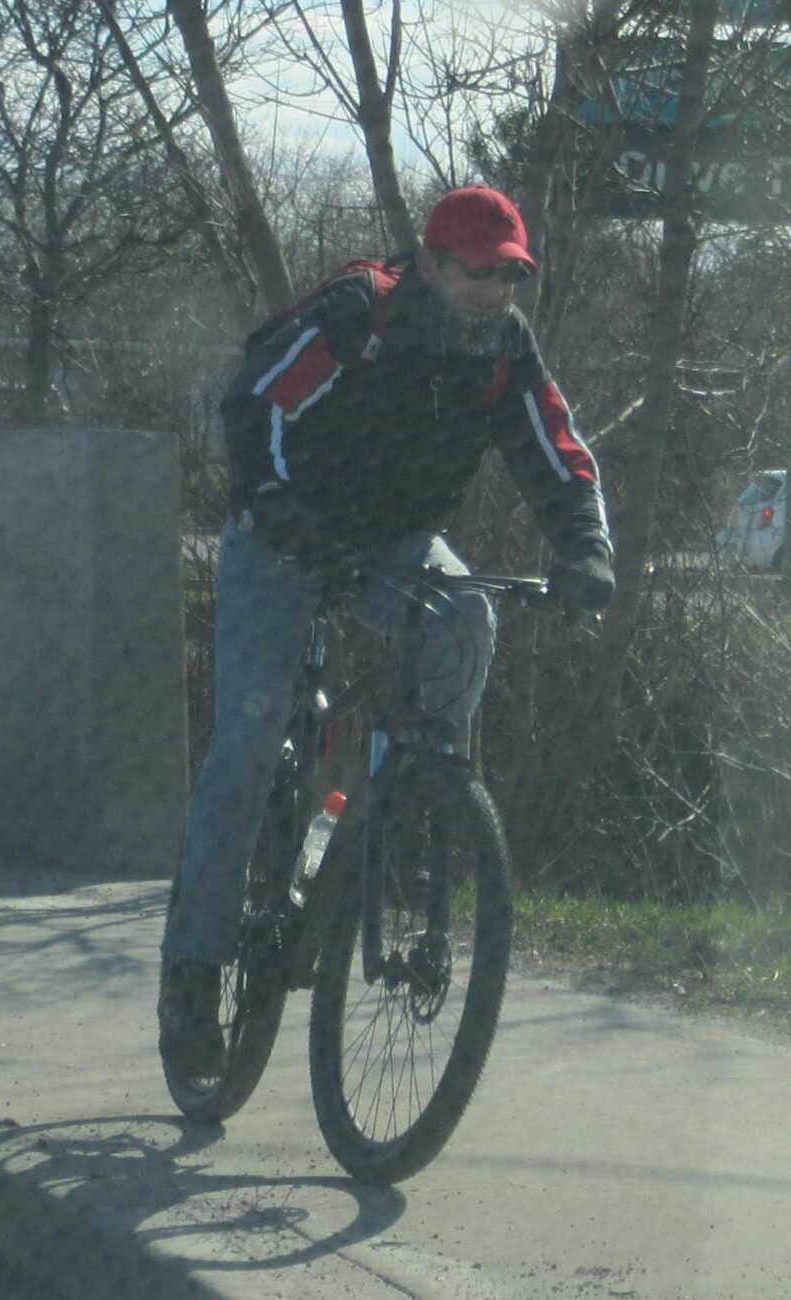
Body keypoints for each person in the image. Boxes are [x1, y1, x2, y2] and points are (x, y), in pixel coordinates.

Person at [161, 186, 616, 1070]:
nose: (495, 290)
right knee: (249, 743)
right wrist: (280, 511)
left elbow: (555, 449)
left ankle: (422, 784)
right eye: (479, 273)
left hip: (393, 542)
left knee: (465, 615)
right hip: (282, 538)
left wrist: (586, 549)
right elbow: (258, 405)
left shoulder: (502, 351)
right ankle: (191, 976)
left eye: (511, 276)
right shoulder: (360, 313)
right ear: (432, 265)